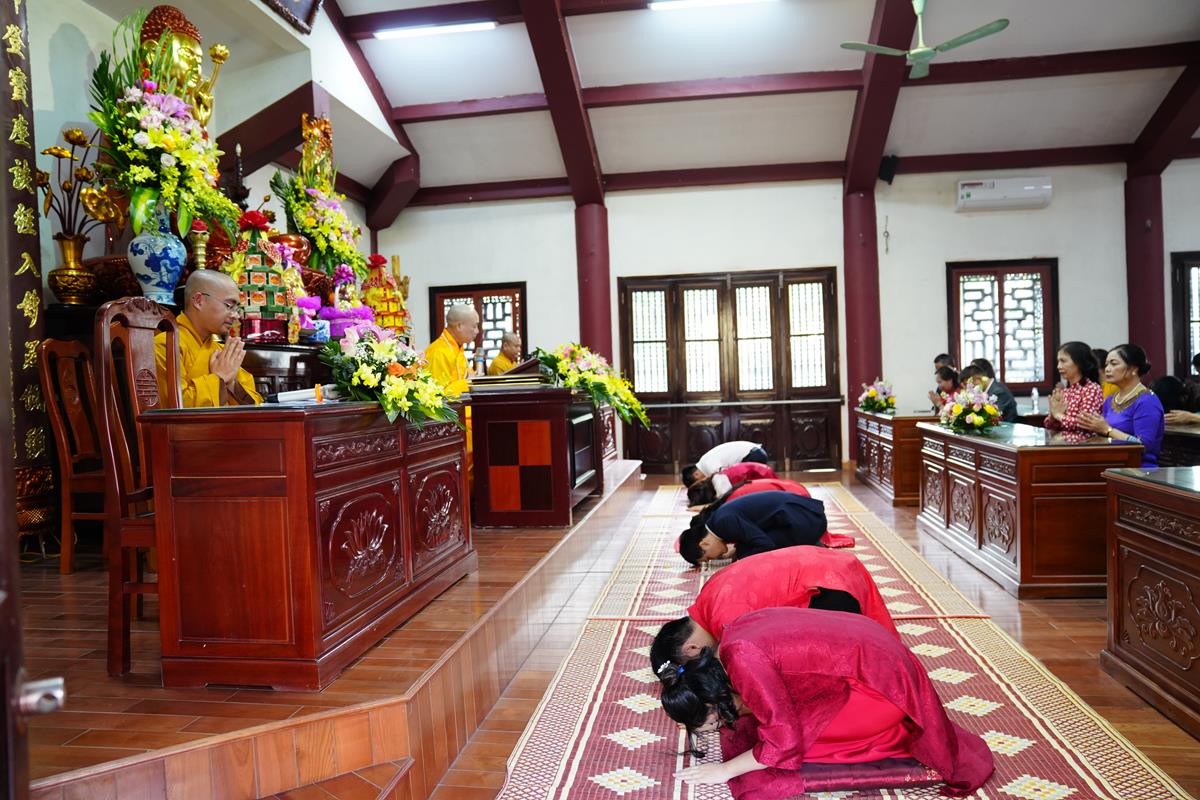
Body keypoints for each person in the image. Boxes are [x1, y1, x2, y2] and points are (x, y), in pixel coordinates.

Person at [659, 608, 994, 795]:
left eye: (710, 722)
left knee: (795, 748)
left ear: (712, 700)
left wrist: (725, 770)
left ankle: (890, 736)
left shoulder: (744, 663)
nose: (715, 728)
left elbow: (783, 743)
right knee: (773, 727)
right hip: (873, 660)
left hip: (882, 689)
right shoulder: (729, 643)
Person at [649, 549, 897, 673]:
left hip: (829, 586)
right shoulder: (707, 596)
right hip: (827, 561)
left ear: (691, 649)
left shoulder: (728, 623)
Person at [155, 270, 263, 408]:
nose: (236, 316)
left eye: (237, 309)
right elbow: (176, 408)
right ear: (198, 301)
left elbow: (255, 404)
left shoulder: (221, 352)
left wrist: (231, 384)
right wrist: (219, 378)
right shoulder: (165, 345)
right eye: (229, 306)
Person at [677, 490, 827, 565]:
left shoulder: (724, 523)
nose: (715, 558)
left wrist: (740, 559)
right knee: (744, 548)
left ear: (704, 543)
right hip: (806, 516)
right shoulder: (717, 521)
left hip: (808, 522)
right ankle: (811, 544)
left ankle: (812, 544)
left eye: (709, 557)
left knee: (745, 554)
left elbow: (766, 545)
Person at [1077, 344, 1165, 468]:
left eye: (1114, 364)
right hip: (1113, 463)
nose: (1107, 369)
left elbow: (1143, 445)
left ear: (1133, 369)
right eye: (1106, 364)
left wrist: (1108, 430)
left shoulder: (1147, 401)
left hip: (1138, 468)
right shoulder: (1111, 400)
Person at [1044, 341, 1103, 436]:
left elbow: (1085, 424)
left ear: (1079, 362)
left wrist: (1058, 415)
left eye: (1063, 361)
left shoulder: (1092, 389)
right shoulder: (1065, 391)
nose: (1058, 366)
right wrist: (1053, 416)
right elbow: (1049, 425)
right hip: (1063, 442)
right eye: (1058, 361)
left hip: (1086, 443)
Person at [424, 304, 480, 397]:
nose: (477, 331)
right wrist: (468, 383)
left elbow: (468, 376)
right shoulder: (439, 352)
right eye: (474, 326)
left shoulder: (457, 348)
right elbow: (437, 395)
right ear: (459, 326)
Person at [687, 462, 778, 506]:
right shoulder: (716, 478)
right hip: (762, 472)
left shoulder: (719, 484)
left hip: (762, 475)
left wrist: (706, 506)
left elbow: (726, 502)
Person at [682, 441, 769, 487]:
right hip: (756, 452)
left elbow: (725, 482)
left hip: (754, 455)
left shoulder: (709, 466)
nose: (702, 484)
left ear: (696, 474)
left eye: (699, 483)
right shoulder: (704, 462)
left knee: (743, 487)